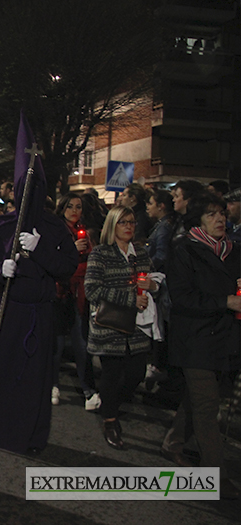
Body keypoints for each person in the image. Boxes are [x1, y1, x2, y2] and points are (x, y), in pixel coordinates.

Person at [0, 113, 78, 455]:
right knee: (0, 373)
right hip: (9, 311)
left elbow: (68, 266)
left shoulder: (56, 227)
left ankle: (28, 435)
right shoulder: (2, 227)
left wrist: (41, 250)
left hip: (39, 314)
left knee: (32, 380)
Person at [160, 192, 241, 499]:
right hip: (195, 340)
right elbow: (182, 298)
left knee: (200, 400)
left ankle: (174, 443)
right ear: (198, 221)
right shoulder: (184, 251)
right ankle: (214, 476)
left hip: (226, 339)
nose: (220, 219)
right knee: (208, 408)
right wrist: (225, 301)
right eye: (211, 215)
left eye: (222, 213)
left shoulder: (234, 252)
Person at [84, 206, 157, 451]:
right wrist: (128, 298)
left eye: (132, 222)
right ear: (112, 225)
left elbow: (154, 282)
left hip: (136, 326)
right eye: (123, 222)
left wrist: (153, 287)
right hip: (110, 324)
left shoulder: (142, 254)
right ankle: (111, 421)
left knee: (136, 373)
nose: (128, 226)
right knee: (111, 374)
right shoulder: (101, 254)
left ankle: (110, 404)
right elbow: (92, 290)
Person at [50, 193, 100, 410]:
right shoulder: (55, 231)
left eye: (78, 207)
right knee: (57, 344)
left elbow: (90, 262)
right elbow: (53, 263)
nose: (74, 211)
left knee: (81, 343)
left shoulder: (85, 234)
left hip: (78, 294)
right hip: (59, 293)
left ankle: (88, 389)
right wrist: (72, 253)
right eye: (69, 206)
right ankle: (52, 384)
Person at [145, 189, 175, 272]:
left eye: (151, 204)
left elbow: (161, 255)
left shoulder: (164, 227)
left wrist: (145, 268)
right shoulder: (160, 224)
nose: (148, 207)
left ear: (161, 206)